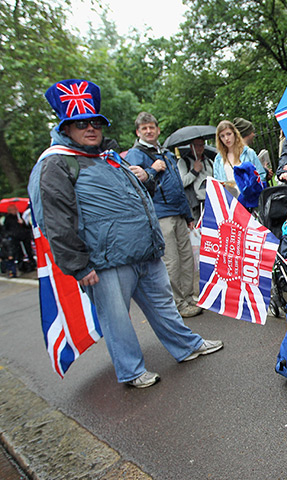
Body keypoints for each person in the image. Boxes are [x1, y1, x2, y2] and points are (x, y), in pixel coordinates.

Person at [28, 79, 222, 388]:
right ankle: (131, 371)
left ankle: (186, 346)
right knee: (116, 320)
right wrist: (78, 265)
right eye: (80, 123)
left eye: (95, 122)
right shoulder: (54, 163)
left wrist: (151, 177)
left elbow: (138, 196)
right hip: (105, 262)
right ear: (65, 128)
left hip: (144, 252)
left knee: (165, 307)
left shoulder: (108, 157)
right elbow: (54, 220)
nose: (90, 128)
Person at [126, 112, 202, 319]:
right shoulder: (136, 155)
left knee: (186, 259)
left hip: (178, 212)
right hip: (160, 215)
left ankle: (188, 297)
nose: (149, 131)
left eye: (152, 127)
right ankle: (177, 303)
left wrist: (188, 215)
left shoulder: (167, 153)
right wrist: (151, 169)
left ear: (158, 130)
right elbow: (133, 186)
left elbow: (178, 187)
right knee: (172, 260)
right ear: (138, 132)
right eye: (144, 128)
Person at [213, 120, 266, 200]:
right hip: (231, 200)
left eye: (229, 134)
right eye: (222, 136)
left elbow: (261, 175)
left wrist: (252, 188)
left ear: (235, 133)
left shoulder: (248, 152)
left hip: (250, 199)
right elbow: (217, 183)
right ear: (219, 139)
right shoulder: (218, 159)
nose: (226, 138)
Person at [177, 137, 214, 222]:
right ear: (191, 146)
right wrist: (194, 171)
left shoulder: (209, 162)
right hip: (194, 204)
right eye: (197, 145)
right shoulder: (184, 162)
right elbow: (182, 183)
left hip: (209, 202)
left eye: (201, 145)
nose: (199, 148)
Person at [232, 117, 268, 184]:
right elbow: (261, 177)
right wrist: (266, 172)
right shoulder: (249, 152)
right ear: (247, 133)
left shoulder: (224, 155)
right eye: (252, 132)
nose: (254, 135)